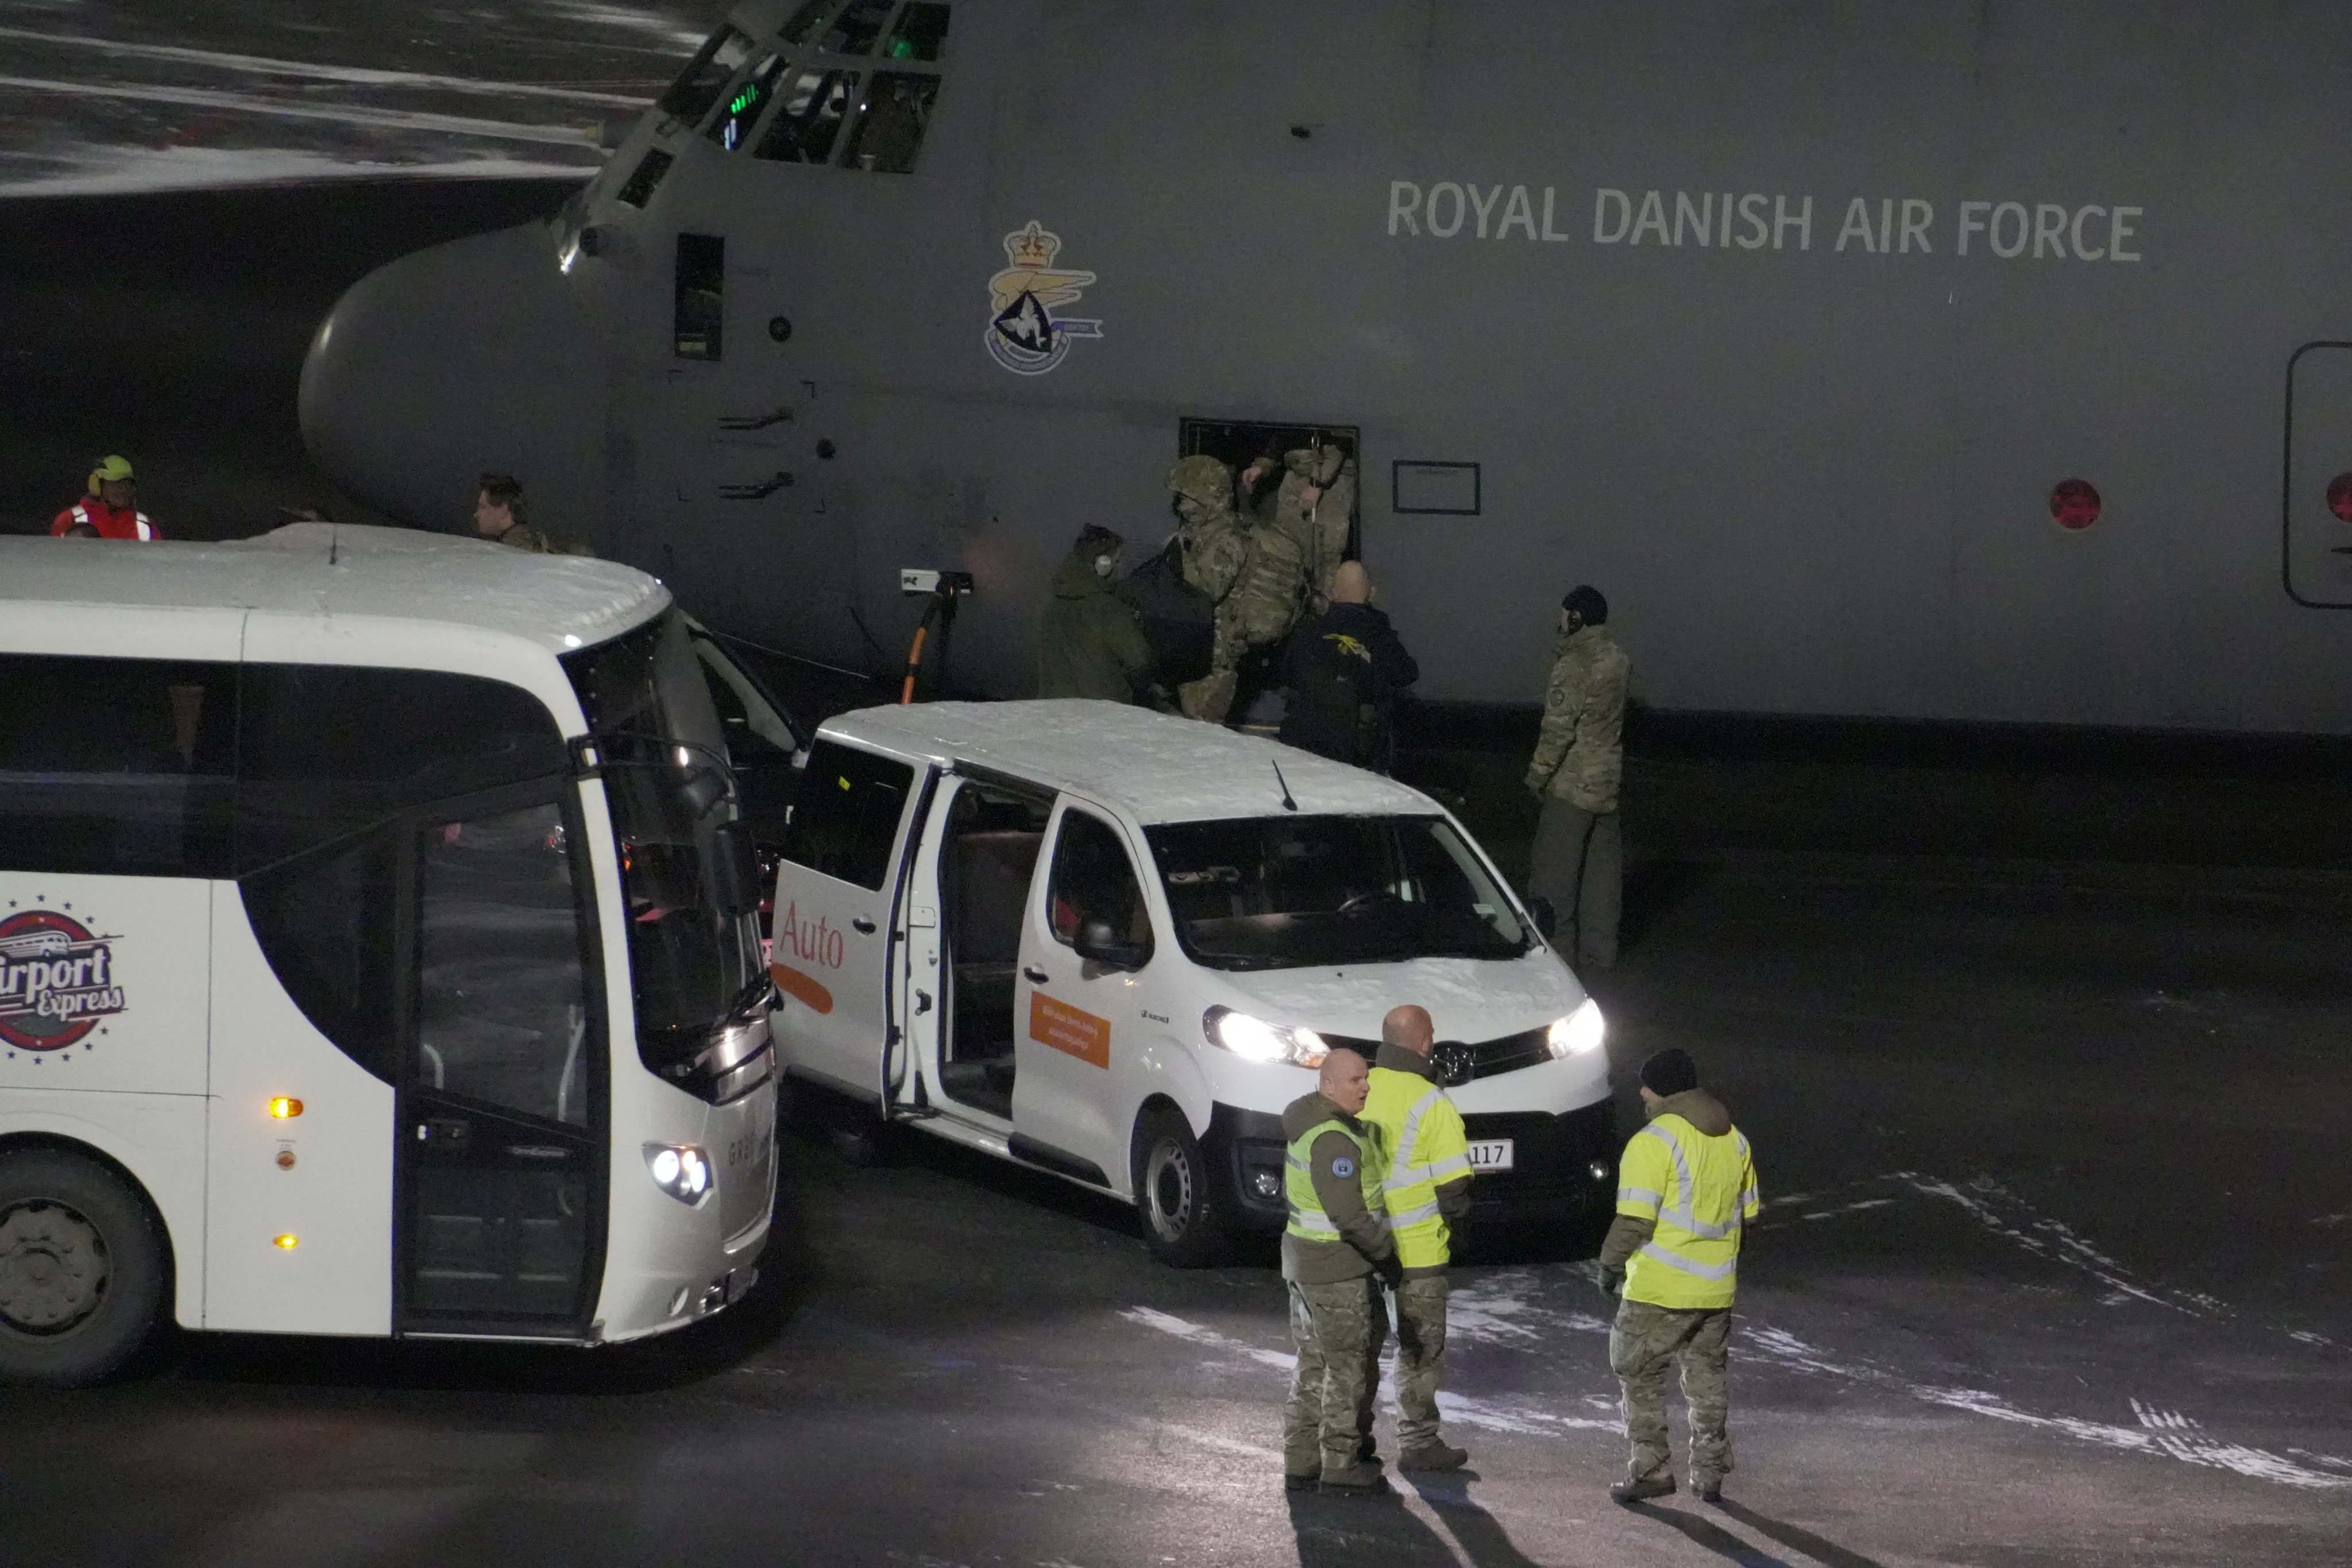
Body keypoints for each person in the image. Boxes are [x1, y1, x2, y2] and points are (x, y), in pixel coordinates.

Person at [1599, 1048, 1759, 1506]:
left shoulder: (1653, 1141)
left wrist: (1609, 1267)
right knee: (1707, 1380)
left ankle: (1650, 1471)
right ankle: (1709, 1475)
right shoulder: (1736, 1141)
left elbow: (1633, 1221)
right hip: (1716, 1290)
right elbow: (1747, 1215)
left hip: (1659, 1289)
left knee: (1636, 1372)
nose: (1642, 1095)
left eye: (1646, 1086)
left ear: (1661, 1089)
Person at [1281, 1047, 1400, 1496]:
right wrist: (1386, 1257)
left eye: (1365, 1078)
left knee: (1312, 1364)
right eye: (1355, 1081)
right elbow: (1349, 1216)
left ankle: (1301, 1460)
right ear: (1327, 1085)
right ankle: (1340, 1463)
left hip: (1304, 1264)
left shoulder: (1306, 1123)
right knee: (1346, 1367)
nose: (1365, 1086)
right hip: (1335, 1271)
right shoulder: (1335, 1140)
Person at [1358, 1003, 1472, 1472]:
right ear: (1425, 1043)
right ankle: (1419, 1442)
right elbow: (1454, 1192)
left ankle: (1351, 1439)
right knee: (1418, 1352)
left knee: (1359, 1351)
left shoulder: (1358, 1089)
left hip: (1359, 1247)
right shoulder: (1432, 1103)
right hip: (1417, 1252)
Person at [1524, 584, 1631, 969]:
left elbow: (1557, 730)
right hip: (1607, 781)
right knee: (1601, 879)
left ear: (1575, 618)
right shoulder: (1618, 659)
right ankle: (1599, 953)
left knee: (1554, 877)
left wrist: (1537, 775)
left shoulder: (1573, 664)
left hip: (1571, 784)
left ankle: (1556, 959)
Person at [1278, 561, 1418, 770]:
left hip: (1304, 750)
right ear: (1371, 594)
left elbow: (1287, 673)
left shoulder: (1307, 632)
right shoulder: (1381, 636)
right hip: (1358, 757)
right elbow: (1407, 675)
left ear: (1333, 594)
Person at [1036, 524, 1153, 700]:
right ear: (1102, 564)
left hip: (1054, 708)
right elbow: (1140, 660)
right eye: (1116, 561)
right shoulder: (1106, 608)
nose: (1118, 567)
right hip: (1100, 714)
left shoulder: (1052, 602)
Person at [473, 473, 592, 554]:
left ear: (504, 510)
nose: (477, 514)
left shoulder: (513, 553)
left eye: (483, 507)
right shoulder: (531, 541)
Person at [50, 455, 158, 539]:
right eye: (115, 484)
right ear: (97, 485)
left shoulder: (145, 526)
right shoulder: (70, 520)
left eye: (128, 485)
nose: (123, 490)